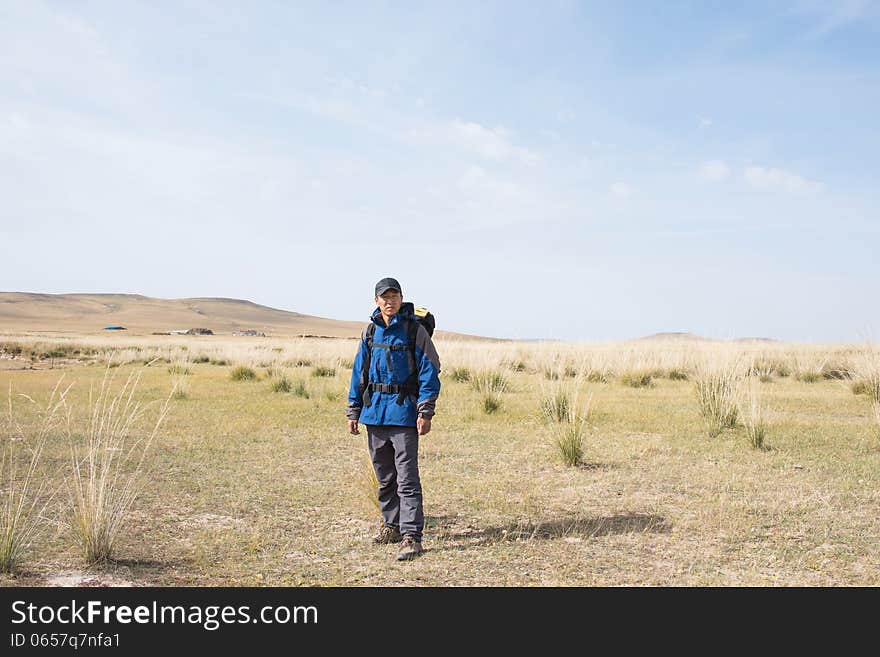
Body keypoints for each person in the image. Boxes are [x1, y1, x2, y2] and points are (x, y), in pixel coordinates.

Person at [346, 277, 441, 561]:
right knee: (385, 477)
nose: (389, 301)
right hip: (375, 414)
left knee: (407, 478)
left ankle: (412, 535)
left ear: (401, 299)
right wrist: (353, 410)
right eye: (384, 297)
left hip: (404, 415)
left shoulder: (414, 331)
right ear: (376, 301)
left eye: (394, 295)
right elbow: (358, 373)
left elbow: (429, 371)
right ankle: (391, 526)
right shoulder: (370, 332)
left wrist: (425, 411)